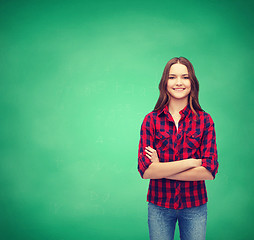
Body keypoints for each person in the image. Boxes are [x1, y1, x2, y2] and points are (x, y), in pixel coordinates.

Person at [137, 56, 219, 240]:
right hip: (159, 206)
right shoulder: (151, 120)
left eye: (185, 77)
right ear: (165, 82)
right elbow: (145, 171)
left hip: (195, 206)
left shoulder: (205, 121)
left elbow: (209, 171)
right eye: (172, 77)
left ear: (192, 82)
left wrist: (161, 169)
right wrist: (191, 162)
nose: (179, 82)